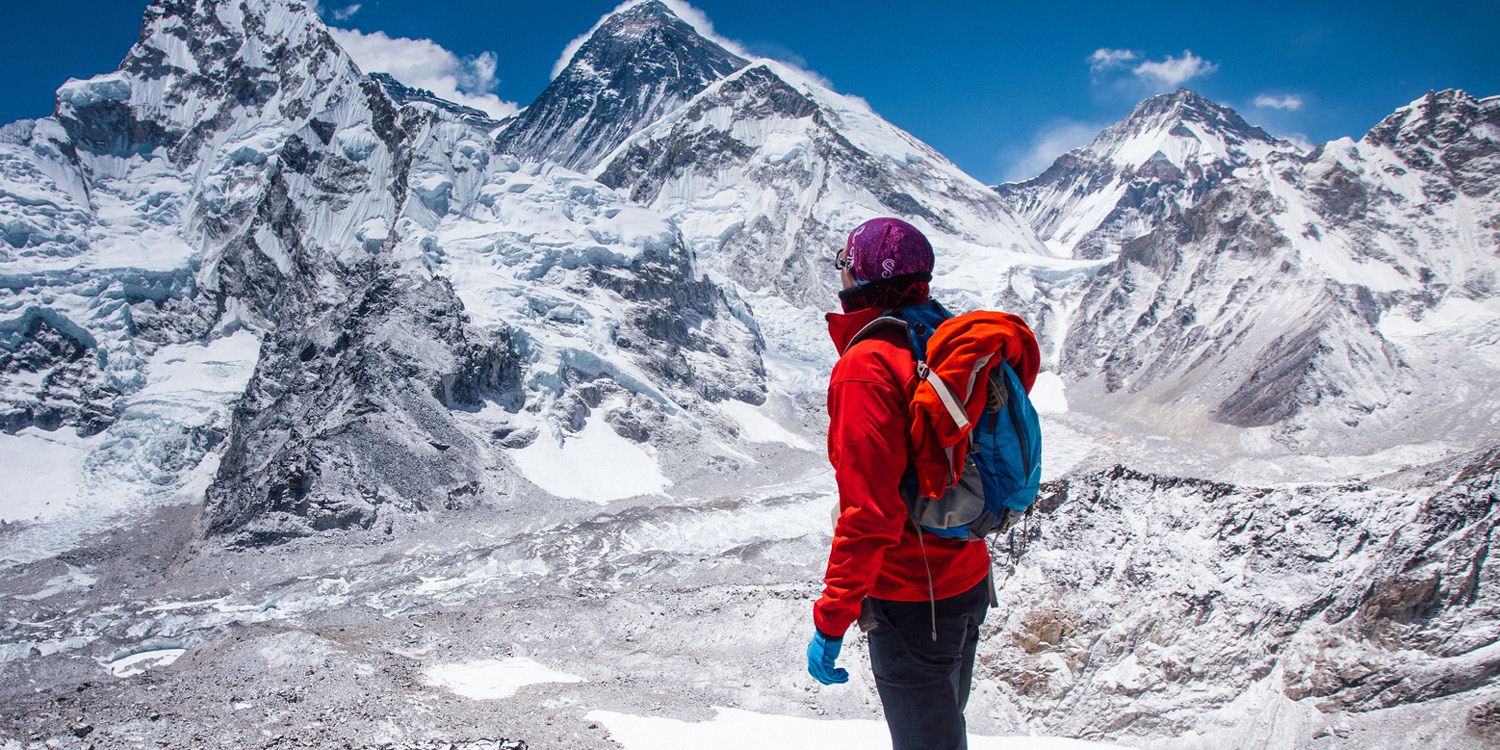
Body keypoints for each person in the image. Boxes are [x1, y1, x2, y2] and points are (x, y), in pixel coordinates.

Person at [807, 217, 992, 750]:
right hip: (967, 580)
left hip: (913, 597)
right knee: (942, 728)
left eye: (843, 264)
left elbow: (869, 513)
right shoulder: (943, 338)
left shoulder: (866, 368)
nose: (839, 276)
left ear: (861, 276)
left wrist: (833, 616)